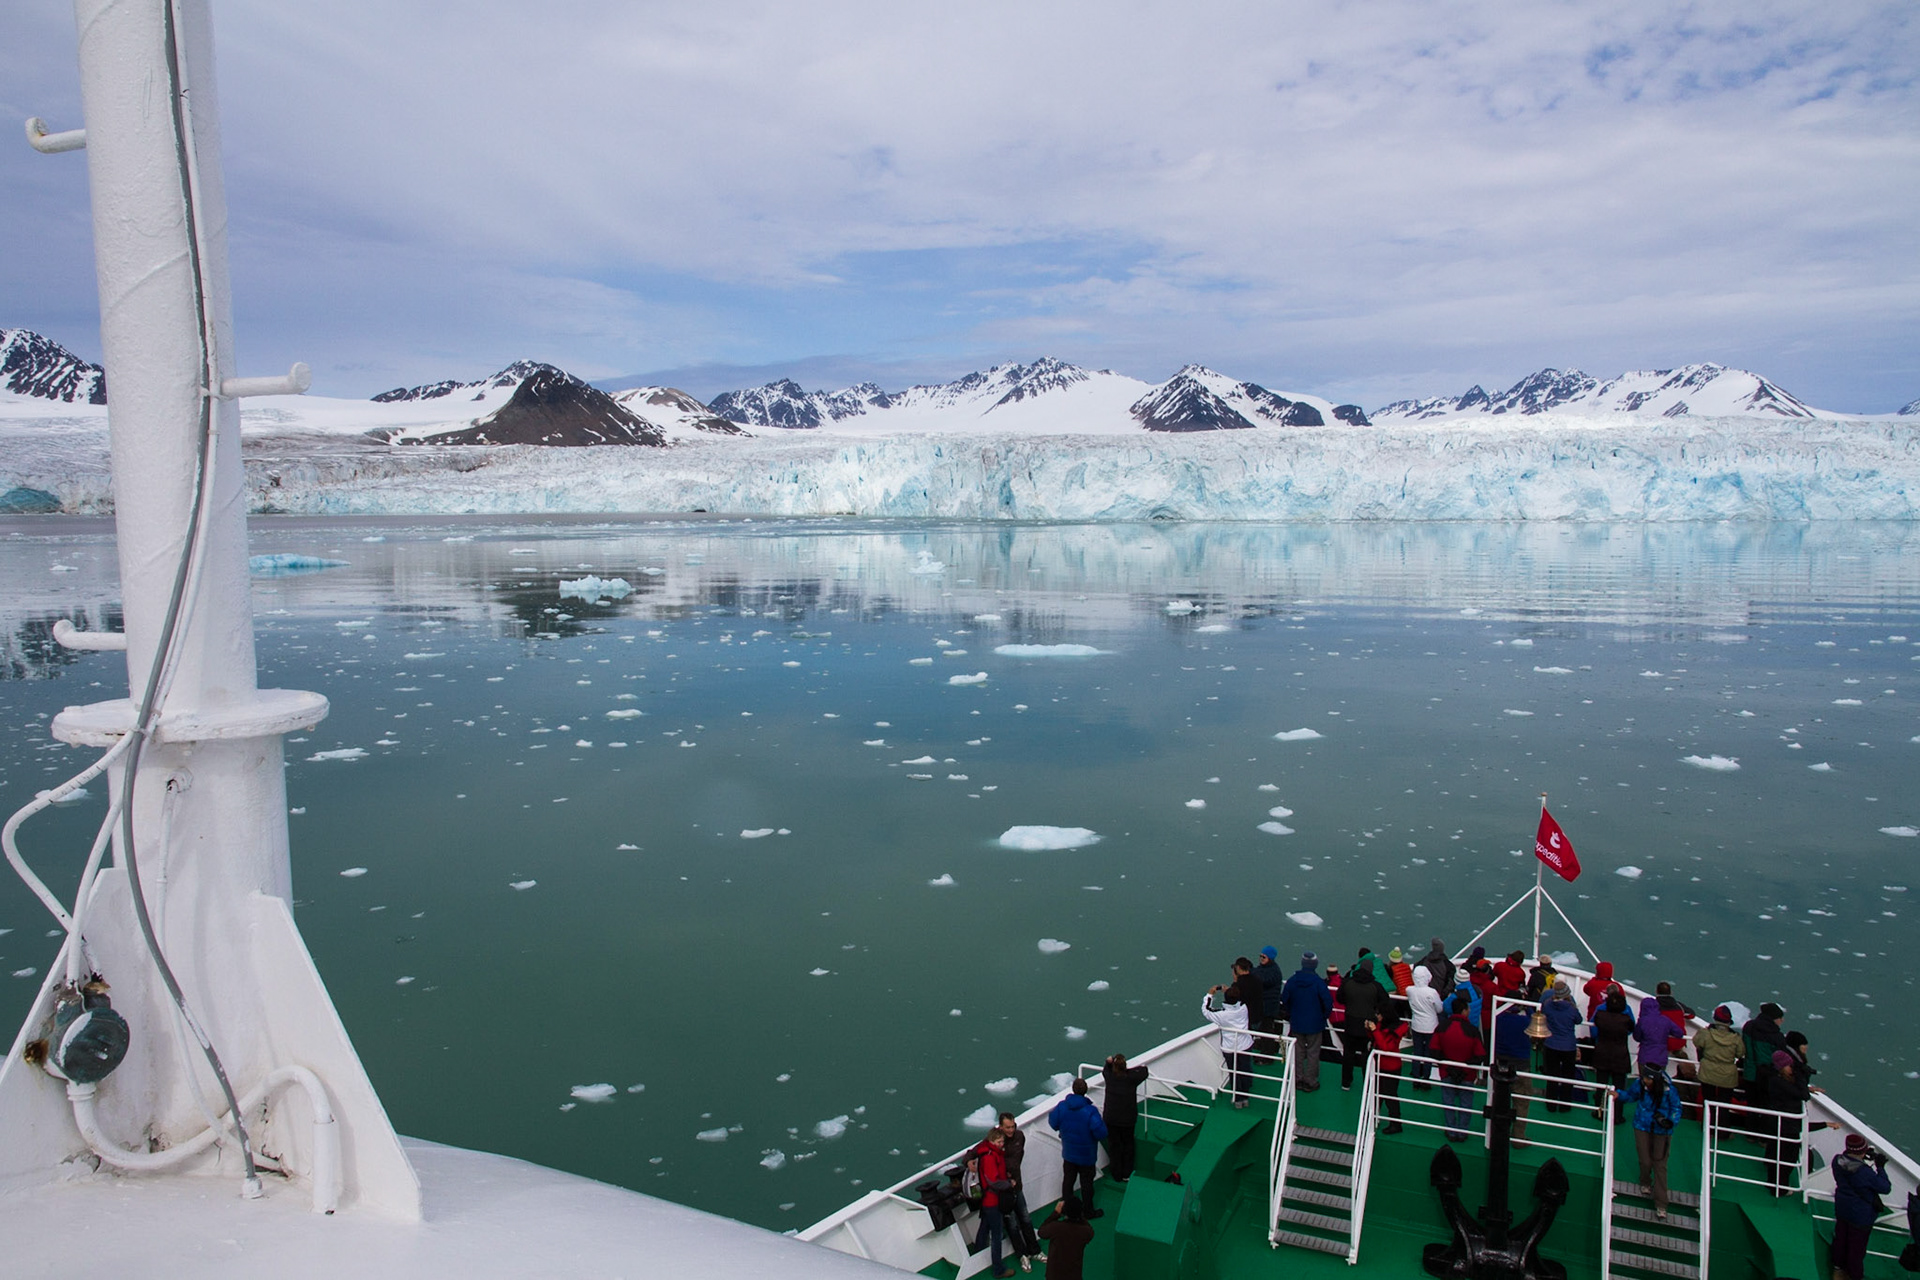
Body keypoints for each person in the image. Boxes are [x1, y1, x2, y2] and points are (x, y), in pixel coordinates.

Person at [1617, 1064, 1682, 1220]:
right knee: (1645, 1160)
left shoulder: (1669, 1090)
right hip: (1641, 1125)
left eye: (1648, 1078)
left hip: (1662, 1131)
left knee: (1660, 1166)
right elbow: (1630, 1096)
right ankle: (1645, 1181)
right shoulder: (1640, 1084)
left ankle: (1661, 1204)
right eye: (1644, 1077)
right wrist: (1618, 1094)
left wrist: (1670, 1121)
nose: (1645, 1081)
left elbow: (1676, 1108)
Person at [1830, 1134, 1892, 1280]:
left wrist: (1860, 1157)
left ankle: (1838, 1269)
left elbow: (1850, 1163)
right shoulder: (1864, 1172)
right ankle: (1855, 1276)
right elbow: (1885, 1187)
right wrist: (1880, 1167)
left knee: (1841, 1240)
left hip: (1842, 1208)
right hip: (1860, 1215)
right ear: (1863, 1151)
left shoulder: (1837, 1161)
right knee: (1856, 1249)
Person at [1049, 1078, 1108, 1214]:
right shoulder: (1090, 1111)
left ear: (1073, 1089)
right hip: (1087, 1156)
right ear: (1085, 1090)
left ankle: (1065, 1208)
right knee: (1087, 1184)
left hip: (1069, 1153)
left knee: (1068, 1181)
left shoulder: (1062, 1107)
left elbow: (1053, 1122)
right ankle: (1088, 1211)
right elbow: (1101, 1133)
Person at [1432, 993, 1485, 1142]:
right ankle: (1462, 1132)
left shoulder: (1442, 1027)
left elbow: (1434, 1050)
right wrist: (1464, 1068)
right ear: (1464, 1011)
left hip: (1447, 1072)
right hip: (1467, 1075)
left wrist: (1449, 1067)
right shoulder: (1472, 1030)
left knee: (1448, 1102)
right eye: (1468, 1009)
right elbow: (1480, 1055)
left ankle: (1451, 1131)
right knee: (1465, 1103)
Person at [1280, 952, 1333, 1093]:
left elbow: (1284, 999)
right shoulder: (1319, 983)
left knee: (1298, 1051)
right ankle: (1310, 1081)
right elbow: (1328, 1003)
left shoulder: (1292, 981)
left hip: (1297, 1022)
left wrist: (1292, 1013)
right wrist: (1323, 1017)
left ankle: (1297, 1079)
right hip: (1315, 1024)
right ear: (1315, 964)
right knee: (1313, 1053)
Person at [969, 1126, 1016, 1277]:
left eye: (1002, 1141)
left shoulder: (990, 1153)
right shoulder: (990, 1157)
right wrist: (1008, 1184)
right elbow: (993, 1181)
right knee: (996, 1235)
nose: (1001, 1144)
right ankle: (998, 1269)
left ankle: (978, 1252)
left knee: (985, 1226)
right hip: (993, 1201)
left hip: (988, 1201)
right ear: (992, 1141)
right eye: (999, 1142)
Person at [1765, 1049, 1813, 1196]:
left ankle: (1773, 1184)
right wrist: (1801, 1077)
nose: (1791, 1068)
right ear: (1781, 1067)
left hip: (1780, 1123)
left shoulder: (1776, 1079)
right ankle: (1780, 1189)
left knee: (1778, 1155)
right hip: (1786, 1125)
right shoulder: (1778, 1082)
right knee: (1787, 1158)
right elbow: (1803, 1095)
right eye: (1788, 1065)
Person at [995, 1113, 1039, 1271]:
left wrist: (1009, 1171)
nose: (1011, 1130)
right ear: (1001, 1127)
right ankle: (1022, 1255)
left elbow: (1016, 1160)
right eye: (1007, 1127)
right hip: (1004, 1191)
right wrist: (969, 1160)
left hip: (1017, 1186)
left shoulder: (1019, 1136)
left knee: (1025, 1218)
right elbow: (979, 1151)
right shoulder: (995, 1141)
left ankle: (1035, 1251)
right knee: (1012, 1224)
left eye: (1013, 1126)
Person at [1694, 1005, 1745, 1133]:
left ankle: (1707, 1127)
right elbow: (1740, 1053)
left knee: (1708, 1101)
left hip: (1708, 1071)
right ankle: (1722, 1131)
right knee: (1724, 1104)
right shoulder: (1735, 1038)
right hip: (1727, 1074)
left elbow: (1697, 1042)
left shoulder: (1706, 1033)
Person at [1100, 1054, 1151, 1183]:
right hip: (1127, 1120)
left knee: (1114, 1146)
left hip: (1111, 1119)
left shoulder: (1109, 1077)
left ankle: (1116, 1174)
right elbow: (1144, 1071)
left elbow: (1105, 1070)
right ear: (1125, 1066)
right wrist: (1127, 1070)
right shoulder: (1131, 1078)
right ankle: (1126, 1174)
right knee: (1128, 1145)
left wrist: (1109, 1062)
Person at [1340, 956, 1388, 1091]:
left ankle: (1346, 1083)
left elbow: (1339, 997)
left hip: (1350, 1023)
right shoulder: (1375, 986)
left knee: (1348, 1054)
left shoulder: (1348, 982)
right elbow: (1385, 1001)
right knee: (1366, 1055)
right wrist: (1376, 1010)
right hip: (1367, 1026)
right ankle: (1367, 1083)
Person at [1202, 985, 1253, 1107]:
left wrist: (1210, 994)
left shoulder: (1221, 1015)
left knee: (1234, 1072)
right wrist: (1230, 992)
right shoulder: (1244, 1008)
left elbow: (1206, 1010)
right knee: (1245, 1070)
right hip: (1245, 1045)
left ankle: (1238, 1099)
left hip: (1230, 1048)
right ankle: (1245, 1097)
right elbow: (1241, 999)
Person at [1492, 998, 1534, 1145]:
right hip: (1521, 1067)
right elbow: (1534, 1019)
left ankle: (1496, 1134)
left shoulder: (1498, 1018)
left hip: (1501, 1065)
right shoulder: (1525, 1021)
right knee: (1521, 1103)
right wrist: (1528, 1008)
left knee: (1499, 1100)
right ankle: (1518, 1138)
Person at [1591, 986, 1634, 1123]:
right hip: (1620, 1056)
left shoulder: (1600, 1015)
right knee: (1619, 1088)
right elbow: (1631, 1029)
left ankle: (1599, 1112)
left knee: (1601, 1085)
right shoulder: (1626, 1020)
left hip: (1602, 1054)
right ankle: (1617, 1115)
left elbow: (1594, 1030)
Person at [1540, 978, 1583, 1113]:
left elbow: (1543, 1015)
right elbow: (1579, 1020)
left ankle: (1551, 1104)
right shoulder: (1571, 1008)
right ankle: (1565, 1105)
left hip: (1551, 1044)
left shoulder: (1548, 1005)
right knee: (1567, 1076)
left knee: (1552, 1075)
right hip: (1568, 1046)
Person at [1741, 1002, 1790, 1112]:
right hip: (1767, 1078)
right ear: (1773, 1018)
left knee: (1751, 1106)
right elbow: (1782, 1058)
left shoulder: (1748, 1027)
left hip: (1749, 1073)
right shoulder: (1777, 1036)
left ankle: (1751, 1122)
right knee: (1766, 1108)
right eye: (1780, 1018)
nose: (1782, 1020)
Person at [1036, 1196, 1095, 1280]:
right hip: (1074, 1275)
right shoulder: (1085, 1231)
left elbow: (1041, 1232)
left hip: (1054, 1275)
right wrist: (1080, 1216)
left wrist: (1055, 1213)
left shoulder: (1056, 1227)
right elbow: (1090, 1231)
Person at [1369, 1010, 1408, 1134]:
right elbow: (1376, 1039)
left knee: (1390, 1096)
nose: (1377, 1016)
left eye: (1379, 1014)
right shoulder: (1384, 1026)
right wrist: (1370, 1030)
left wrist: (1374, 1030)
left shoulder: (1394, 1032)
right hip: (1383, 1066)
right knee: (1379, 1092)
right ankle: (1374, 1117)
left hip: (1390, 1067)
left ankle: (1396, 1124)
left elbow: (1385, 1047)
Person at [1406, 966, 1443, 1091]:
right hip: (1430, 1026)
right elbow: (1439, 1008)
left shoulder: (1410, 990)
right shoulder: (1431, 992)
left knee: (1417, 1051)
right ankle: (1426, 1079)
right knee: (1428, 1053)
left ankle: (1416, 1078)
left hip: (1416, 1025)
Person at [1254, 946, 1285, 1057]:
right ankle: (1263, 1052)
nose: (1261, 959)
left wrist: (1252, 975)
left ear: (1270, 958)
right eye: (1260, 956)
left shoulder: (1274, 971)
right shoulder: (1261, 969)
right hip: (1262, 1006)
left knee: (1267, 1031)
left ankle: (1267, 1055)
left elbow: (1265, 981)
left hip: (1269, 1007)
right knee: (1262, 1030)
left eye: (1264, 957)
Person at [1632, 995, 1672, 1073]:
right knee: (1658, 1079)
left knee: (1644, 1078)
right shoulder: (1665, 1020)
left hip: (1645, 1057)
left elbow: (1636, 1037)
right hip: (1661, 1058)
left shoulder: (1642, 1021)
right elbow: (1679, 1033)